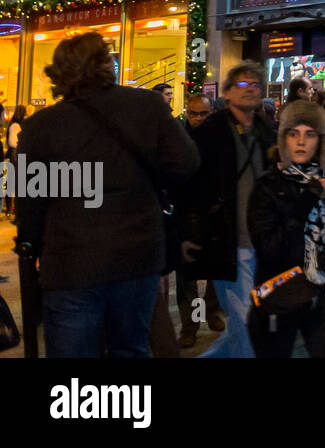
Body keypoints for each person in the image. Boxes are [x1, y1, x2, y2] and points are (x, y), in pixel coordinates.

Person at [16, 32, 198, 357]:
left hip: (71, 262)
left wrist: (33, 245)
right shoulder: (146, 106)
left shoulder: (42, 126)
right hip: (137, 255)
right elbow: (186, 164)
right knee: (131, 349)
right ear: (106, 64)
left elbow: (31, 203)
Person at [179, 62, 277, 358]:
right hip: (227, 239)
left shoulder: (263, 129)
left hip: (262, 240)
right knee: (247, 321)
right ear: (228, 93)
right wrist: (189, 230)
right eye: (243, 85)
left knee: (245, 324)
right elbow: (189, 185)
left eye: (256, 85)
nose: (250, 91)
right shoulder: (210, 131)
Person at [247, 101, 325, 357]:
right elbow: (270, 247)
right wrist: (308, 199)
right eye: (293, 133)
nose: (301, 142)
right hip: (280, 294)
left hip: (324, 294)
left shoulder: (324, 179)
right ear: (283, 139)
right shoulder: (267, 186)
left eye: (310, 134)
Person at [174, 93, 224, 347]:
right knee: (188, 274)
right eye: (193, 113)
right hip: (187, 213)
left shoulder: (220, 138)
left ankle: (211, 310)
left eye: (203, 113)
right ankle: (190, 325)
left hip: (214, 212)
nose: (198, 118)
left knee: (215, 268)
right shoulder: (179, 138)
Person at [4, 104, 25, 216]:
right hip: (14, 156)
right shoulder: (16, 126)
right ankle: (11, 209)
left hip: (11, 155)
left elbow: (8, 143)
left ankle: (9, 209)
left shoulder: (12, 124)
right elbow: (13, 142)